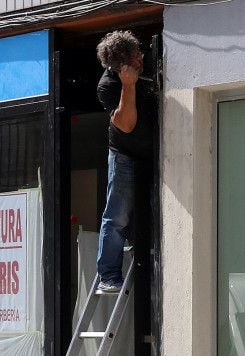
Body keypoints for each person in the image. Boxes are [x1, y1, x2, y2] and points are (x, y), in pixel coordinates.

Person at [94, 31, 157, 293]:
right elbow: (126, 124)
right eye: (134, 57)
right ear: (122, 65)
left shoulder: (149, 63)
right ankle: (108, 274)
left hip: (152, 152)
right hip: (125, 156)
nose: (140, 59)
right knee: (117, 215)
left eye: (139, 53)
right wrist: (129, 85)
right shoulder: (108, 85)